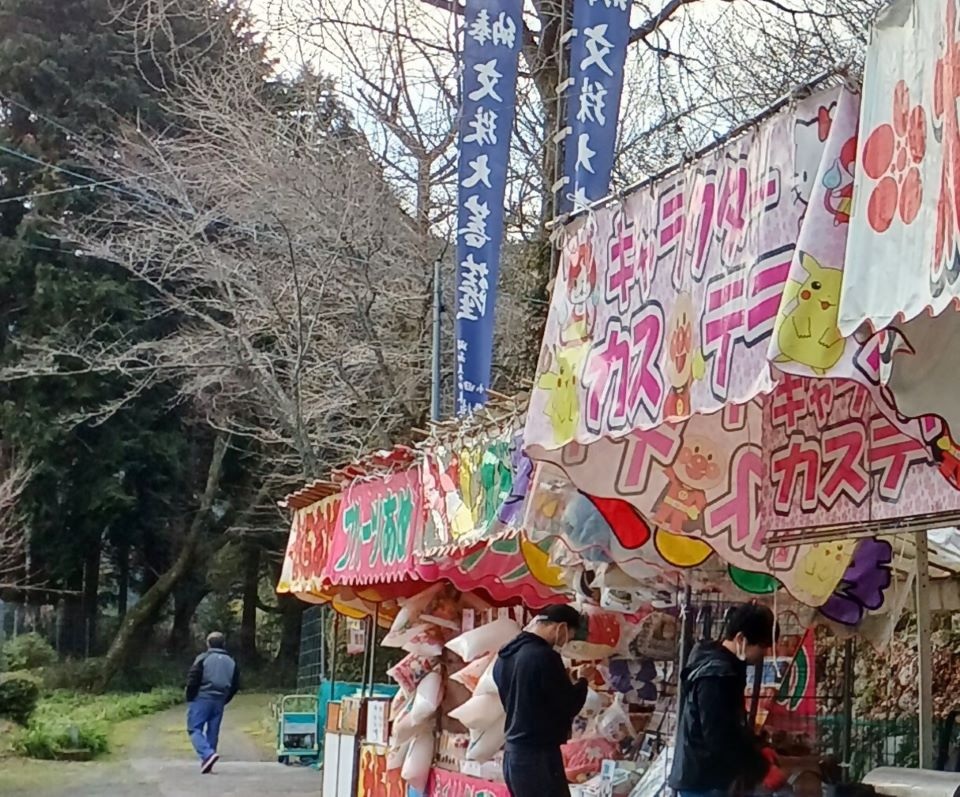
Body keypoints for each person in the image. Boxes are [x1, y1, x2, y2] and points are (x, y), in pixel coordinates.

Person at [668, 603, 787, 797]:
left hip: (710, 778)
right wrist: (761, 768)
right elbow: (718, 735)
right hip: (705, 781)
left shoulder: (723, 666)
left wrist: (758, 746)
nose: (764, 655)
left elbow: (732, 723)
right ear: (741, 639)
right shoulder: (716, 674)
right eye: (762, 647)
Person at [493, 604, 588, 797]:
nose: (566, 642)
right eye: (569, 636)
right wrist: (582, 682)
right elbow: (567, 705)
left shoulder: (505, 656)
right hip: (538, 757)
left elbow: (528, 696)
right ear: (560, 627)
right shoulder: (545, 657)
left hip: (513, 756)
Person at [185, 631, 240, 774]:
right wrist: (225, 699)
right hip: (220, 699)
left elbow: (193, 678)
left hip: (202, 697)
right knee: (213, 731)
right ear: (223, 644)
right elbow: (235, 684)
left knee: (194, 728)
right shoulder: (232, 662)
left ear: (208, 644)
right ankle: (208, 760)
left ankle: (207, 754)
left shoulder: (203, 658)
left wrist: (190, 696)